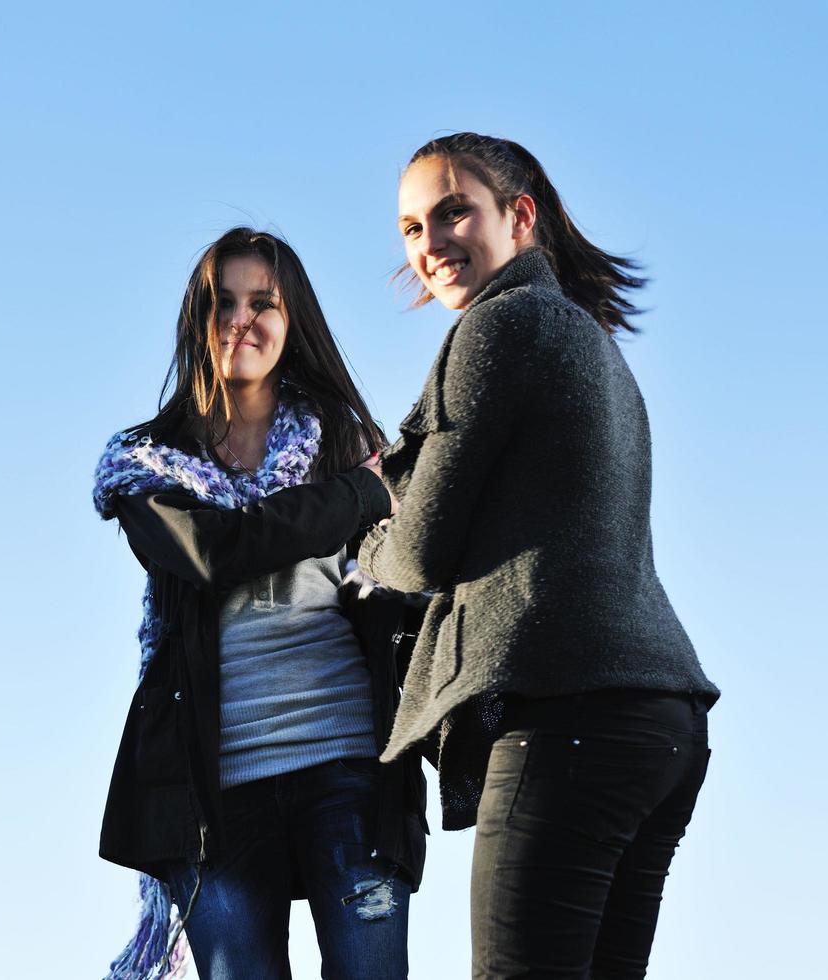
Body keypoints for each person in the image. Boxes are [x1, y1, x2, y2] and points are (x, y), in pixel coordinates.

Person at [358, 133, 720, 979]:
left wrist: (363, 546)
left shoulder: (501, 324)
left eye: (453, 212)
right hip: (661, 725)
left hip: (573, 719)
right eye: (411, 228)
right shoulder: (589, 342)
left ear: (518, 217)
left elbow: (417, 555)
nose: (431, 245)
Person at [92, 227, 426, 980]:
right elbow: (214, 554)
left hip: (347, 761)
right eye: (223, 302)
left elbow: (406, 585)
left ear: (290, 319)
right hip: (214, 790)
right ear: (196, 320)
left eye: (262, 303)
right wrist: (357, 497)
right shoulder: (143, 465)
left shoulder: (347, 443)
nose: (241, 319)